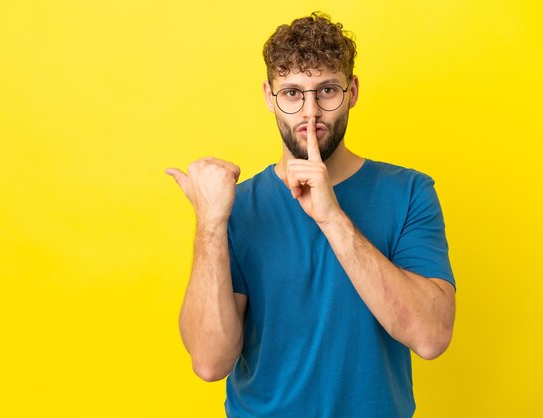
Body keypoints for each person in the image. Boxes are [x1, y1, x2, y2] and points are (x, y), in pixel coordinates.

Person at [166, 12, 456, 418]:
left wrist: (332, 217)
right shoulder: (236, 207)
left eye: (327, 90)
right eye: (292, 93)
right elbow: (210, 363)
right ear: (269, 96)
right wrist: (211, 224)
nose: (310, 112)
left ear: (352, 91)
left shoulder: (409, 192)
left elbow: (431, 337)